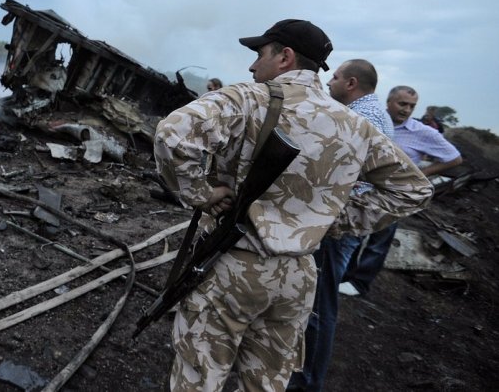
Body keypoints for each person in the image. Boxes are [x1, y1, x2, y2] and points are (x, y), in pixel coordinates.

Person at [155, 19, 433, 391]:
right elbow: (413, 189)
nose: (253, 66)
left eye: (259, 55)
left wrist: (200, 195)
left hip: (235, 263)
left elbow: (173, 135)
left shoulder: (249, 98)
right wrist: (331, 220)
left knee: (200, 376)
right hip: (299, 278)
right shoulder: (357, 126)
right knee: (266, 382)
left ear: (285, 57)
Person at [287, 59, 395, 392]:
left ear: (351, 83)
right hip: (345, 218)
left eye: (334, 77)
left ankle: (306, 382)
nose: (329, 82)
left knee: (319, 305)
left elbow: (335, 172)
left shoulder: (363, 118)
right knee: (318, 299)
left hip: (338, 222)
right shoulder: (374, 113)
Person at [340, 86, 462, 296]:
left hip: (392, 196)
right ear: (389, 102)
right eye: (402, 104)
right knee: (352, 233)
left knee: (379, 240)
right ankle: (344, 277)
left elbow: (454, 158)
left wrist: (420, 174)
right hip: (362, 190)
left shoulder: (422, 132)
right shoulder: (375, 120)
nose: (406, 110)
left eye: (412, 106)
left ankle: (360, 283)